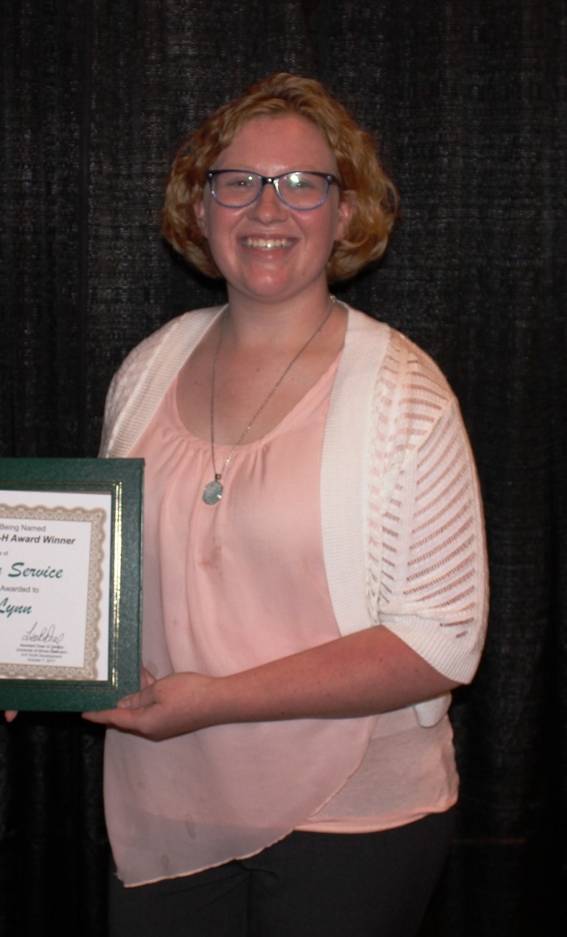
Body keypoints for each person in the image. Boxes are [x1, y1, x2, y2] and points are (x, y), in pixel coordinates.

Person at [80, 73, 488, 937]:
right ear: (200, 208)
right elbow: (96, 584)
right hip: (166, 806)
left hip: (351, 819)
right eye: (238, 181)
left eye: (304, 183)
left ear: (346, 212)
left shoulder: (407, 396)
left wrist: (217, 698)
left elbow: (442, 642)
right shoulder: (146, 368)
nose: (268, 208)